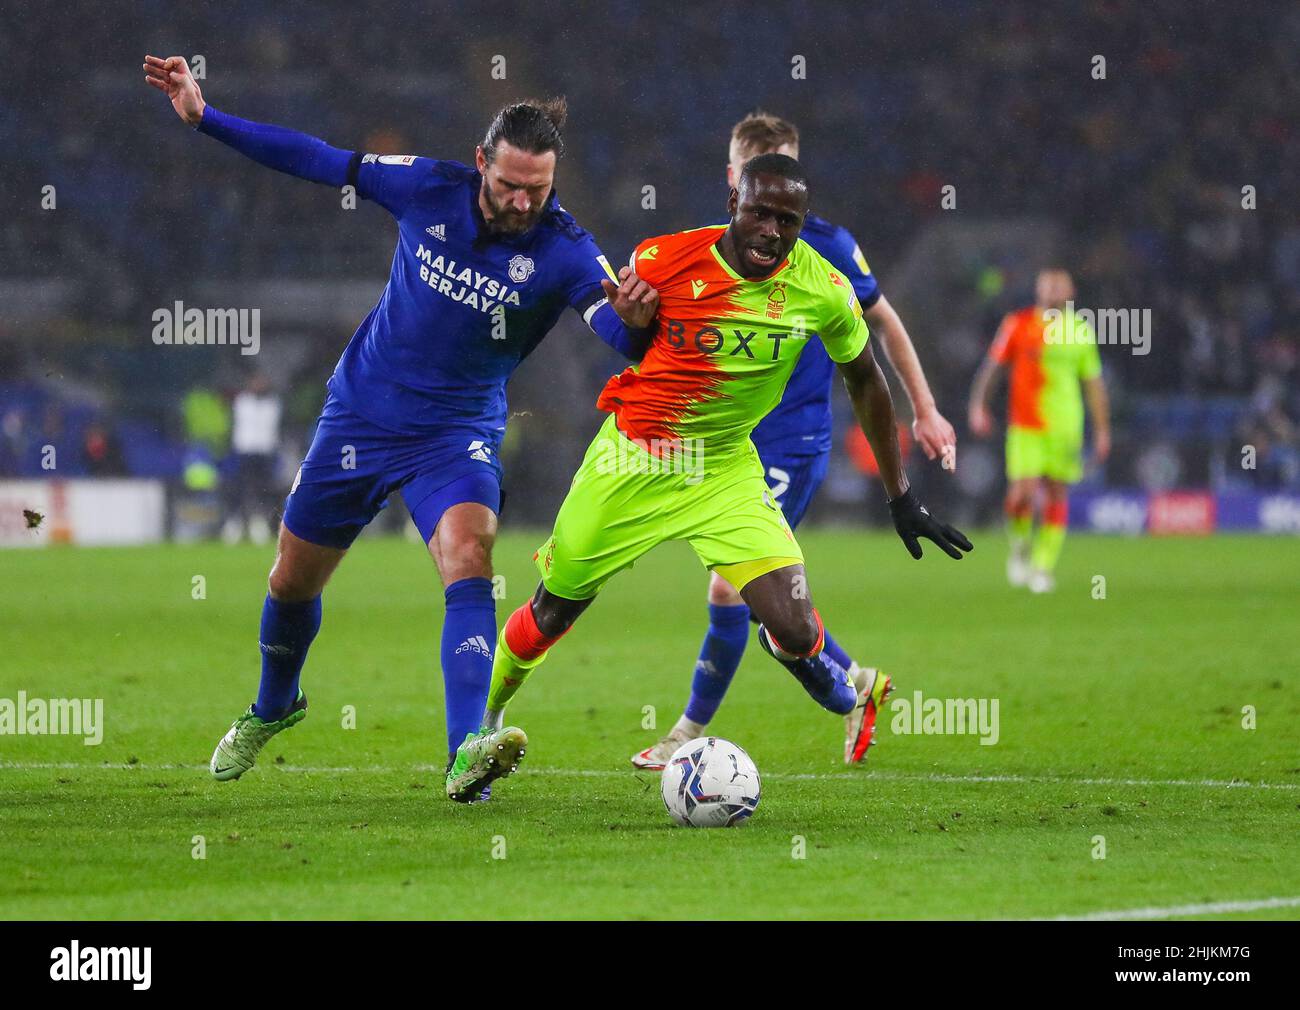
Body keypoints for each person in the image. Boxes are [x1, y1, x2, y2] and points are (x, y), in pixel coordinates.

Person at [143, 55, 657, 797]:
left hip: (455, 434)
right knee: (291, 579)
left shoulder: (566, 249)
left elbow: (615, 329)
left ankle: (464, 755)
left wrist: (638, 326)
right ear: (481, 161)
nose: (520, 202)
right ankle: (274, 705)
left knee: (469, 554)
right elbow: (317, 160)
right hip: (361, 413)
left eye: (537, 190)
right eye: (509, 184)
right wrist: (205, 117)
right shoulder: (425, 187)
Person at [446, 153, 971, 803]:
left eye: (788, 220)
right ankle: (483, 726)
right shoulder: (665, 260)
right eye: (760, 213)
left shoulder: (824, 289)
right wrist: (632, 323)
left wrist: (900, 495)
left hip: (723, 468)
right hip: (633, 461)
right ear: (733, 206)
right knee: (554, 610)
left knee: (799, 630)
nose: (772, 231)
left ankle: (851, 690)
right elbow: (615, 332)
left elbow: (864, 377)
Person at [630, 111, 958, 769]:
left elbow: (883, 322)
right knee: (772, 601)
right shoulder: (712, 250)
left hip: (790, 444)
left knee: (731, 587)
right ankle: (858, 686)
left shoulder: (828, 248)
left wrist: (925, 408)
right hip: (722, 444)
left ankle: (687, 734)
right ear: (733, 180)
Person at [968, 267, 1110, 593]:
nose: (1053, 290)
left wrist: (1102, 431)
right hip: (1025, 426)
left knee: (1057, 494)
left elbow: (1094, 385)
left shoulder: (1080, 331)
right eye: (1048, 285)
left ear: (1071, 291)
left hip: (1066, 428)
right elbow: (993, 368)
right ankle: (1019, 547)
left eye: (1060, 285)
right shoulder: (1018, 324)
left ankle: (1043, 567)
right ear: (1038, 290)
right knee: (1023, 494)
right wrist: (979, 406)